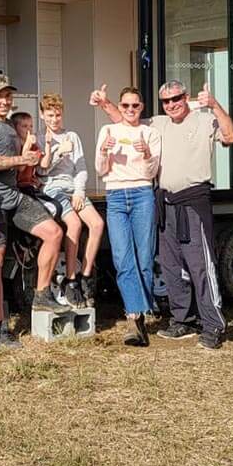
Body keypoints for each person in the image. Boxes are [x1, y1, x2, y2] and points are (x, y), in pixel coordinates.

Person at [92, 80, 233, 348]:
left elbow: (230, 137)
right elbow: (127, 118)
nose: (172, 104)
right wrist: (105, 104)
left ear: (186, 97)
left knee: (200, 265)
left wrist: (215, 105)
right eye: (166, 101)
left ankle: (213, 324)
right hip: (165, 201)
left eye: (177, 98)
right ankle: (183, 319)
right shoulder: (158, 124)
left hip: (194, 199)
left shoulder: (205, 120)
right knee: (172, 265)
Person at [0, 75, 70, 346]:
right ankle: (0, 328)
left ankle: (41, 295)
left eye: (7, 96)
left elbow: (21, 165)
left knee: (53, 232)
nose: (4, 101)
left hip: (15, 197)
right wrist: (21, 158)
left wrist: (34, 165)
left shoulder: (9, 126)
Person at [91, 85, 162, 346]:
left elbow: (152, 171)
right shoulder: (108, 130)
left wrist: (145, 153)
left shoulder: (150, 133)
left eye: (135, 106)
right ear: (119, 107)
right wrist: (104, 152)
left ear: (142, 108)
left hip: (143, 193)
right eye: (125, 106)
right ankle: (135, 314)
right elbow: (101, 170)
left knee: (144, 256)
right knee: (122, 257)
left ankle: (138, 316)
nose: (130, 110)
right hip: (116, 195)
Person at [38, 93, 105, 309]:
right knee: (74, 224)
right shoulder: (40, 138)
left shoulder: (72, 136)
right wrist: (57, 152)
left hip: (72, 188)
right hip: (52, 188)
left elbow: (81, 167)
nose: (55, 119)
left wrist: (79, 191)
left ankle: (85, 275)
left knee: (97, 223)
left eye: (57, 115)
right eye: (50, 115)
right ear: (42, 116)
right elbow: (40, 171)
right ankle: (71, 279)